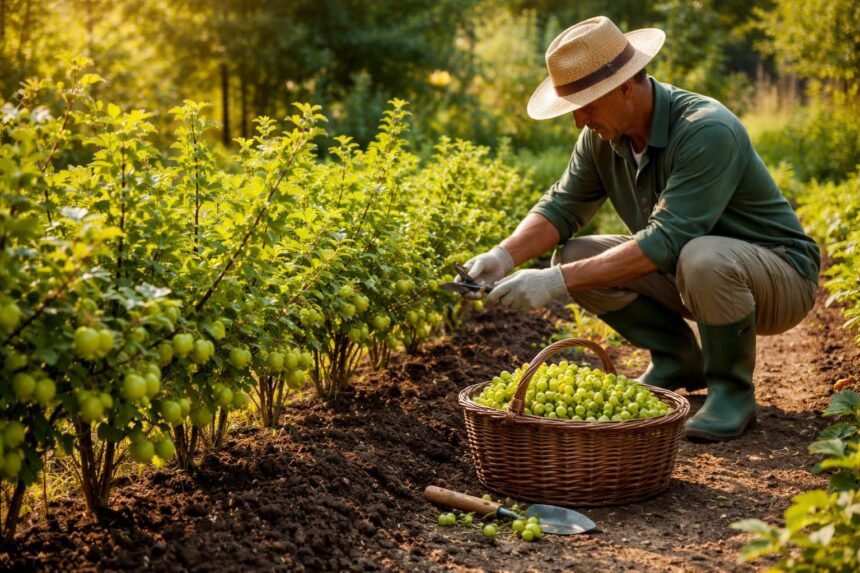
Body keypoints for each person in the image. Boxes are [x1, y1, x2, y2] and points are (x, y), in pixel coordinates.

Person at [459, 16, 820, 442]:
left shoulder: (705, 129)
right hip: (688, 270)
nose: (579, 122)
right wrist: (503, 256)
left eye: (587, 107)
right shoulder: (602, 137)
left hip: (779, 275)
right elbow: (561, 206)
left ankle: (731, 390)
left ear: (624, 87)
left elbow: (667, 241)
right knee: (574, 256)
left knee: (700, 255)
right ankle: (677, 357)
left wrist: (554, 283)